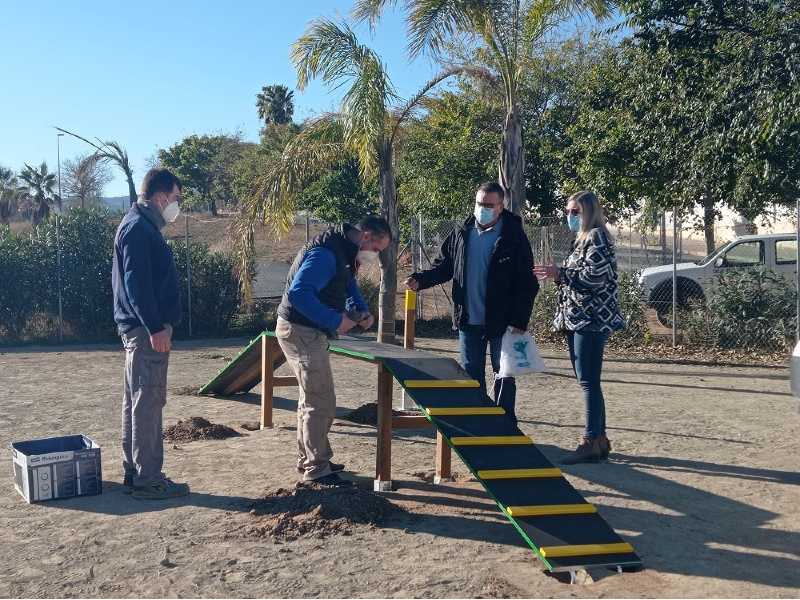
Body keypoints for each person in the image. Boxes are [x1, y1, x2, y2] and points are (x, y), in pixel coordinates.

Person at [405, 182, 538, 423]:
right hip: (468, 319)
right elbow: (444, 266)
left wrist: (520, 319)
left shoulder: (514, 235)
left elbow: (527, 282)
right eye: (479, 204)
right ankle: (478, 420)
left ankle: (504, 422)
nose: (482, 209)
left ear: (501, 206)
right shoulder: (461, 232)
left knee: (504, 374)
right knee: (470, 374)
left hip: (503, 321)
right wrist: (421, 280)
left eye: (489, 205)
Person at [276, 216, 392, 487]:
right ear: (365, 235)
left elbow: (348, 284)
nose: (376, 255)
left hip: (305, 330)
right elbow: (298, 294)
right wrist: (336, 321)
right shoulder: (326, 254)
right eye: (377, 249)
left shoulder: (342, 250)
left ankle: (310, 459)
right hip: (300, 331)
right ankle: (317, 469)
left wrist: (361, 310)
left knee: (312, 398)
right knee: (321, 400)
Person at [112, 168, 188, 499]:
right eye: (176, 198)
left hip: (140, 330)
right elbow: (136, 284)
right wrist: (156, 327)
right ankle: (149, 479)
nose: (177, 204)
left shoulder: (139, 226)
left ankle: (135, 472)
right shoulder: (138, 229)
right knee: (149, 402)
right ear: (159, 196)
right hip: (146, 332)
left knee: (137, 401)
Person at [534, 190, 625, 464]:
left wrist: (559, 273)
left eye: (576, 212)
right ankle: (599, 439)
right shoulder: (584, 238)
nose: (570, 216)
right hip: (579, 319)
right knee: (589, 381)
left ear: (589, 212)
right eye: (568, 211)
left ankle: (590, 439)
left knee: (588, 381)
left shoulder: (596, 237)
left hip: (591, 319)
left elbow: (593, 278)